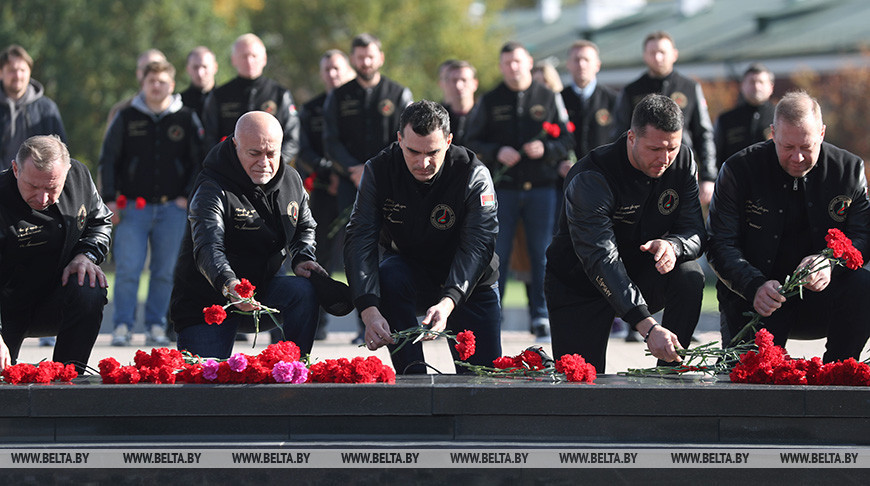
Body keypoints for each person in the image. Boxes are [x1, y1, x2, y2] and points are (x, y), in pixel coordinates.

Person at [545, 94, 706, 372]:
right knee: (581, 387)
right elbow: (600, 258)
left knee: (689, 275)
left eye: (672, 148)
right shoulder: (591, 177)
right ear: (631, 137)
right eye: (655, 149)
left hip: (642, 273)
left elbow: (695, 231)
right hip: (582, 283)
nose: (665, 158)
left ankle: (671, 373)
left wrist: (674, 246)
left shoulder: (683, 161)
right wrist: (647, 326)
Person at [707, 90, 870, 361]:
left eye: (806, 147)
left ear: (822, 133)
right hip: (756, 300)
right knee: (750, 383)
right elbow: (719, 242)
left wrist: (830, 263)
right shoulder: (739, 170)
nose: (797, 158)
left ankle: (839, 376)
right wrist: (753, 284)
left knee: (864, 284)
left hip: (822, 297)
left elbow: (863, 235)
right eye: (787, 147)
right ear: (772, 133)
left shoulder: (848, 170)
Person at [344, 100, 501, 374]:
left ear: (449, 141)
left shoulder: (474, 173)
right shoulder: (378, 170)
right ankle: (412, 382)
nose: (423, 163)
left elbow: (479, 244)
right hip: (410, 272)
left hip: (469, 280)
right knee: (389, 275)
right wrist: (368, 309)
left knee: (481, 382)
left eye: (433, 152)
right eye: (413, 151)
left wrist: (449, 300)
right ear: (399, 139)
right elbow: (360, 239)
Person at [169, 111, 322, 359]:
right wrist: (230, 285)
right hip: (208, 300)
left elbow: (305, 226)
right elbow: (208, 247)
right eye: (254, 153)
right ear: (235, 145)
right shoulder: (211, 186)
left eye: (271, 154)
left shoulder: (292, 180)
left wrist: (303, 257)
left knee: (303, 290)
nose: (264, 162)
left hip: (260, 291)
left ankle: (294, 366)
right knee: (205, 384)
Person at [465, 41, 571, 342]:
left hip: (541, 189)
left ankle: (541, 316)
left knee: (542, 254)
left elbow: (566, 141)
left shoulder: (549, 97)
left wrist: (546, 148)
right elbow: (472, 142)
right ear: (501, 66)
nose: (513, 67)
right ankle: (493, 313)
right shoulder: (490, 100)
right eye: (507, 62)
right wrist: (497, 151)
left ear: (528, 63)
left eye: (518, 62)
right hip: (504, 191)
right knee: (499, 255)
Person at [99, 60, 203, 347]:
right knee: (128, 269)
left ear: (171, 84)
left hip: (173, 209)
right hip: (133, 207)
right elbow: (109, 159)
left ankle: (156, 326)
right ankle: (121, 326)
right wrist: (109, 198)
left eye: (162, 81)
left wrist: (188, 195)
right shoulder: (126, 117)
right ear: (143, 84)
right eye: (151, 81)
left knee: (164, 271)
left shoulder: (186, 118)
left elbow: (199, 161)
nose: (156, 86)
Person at [323, 32, 413, 344]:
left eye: (370, 55)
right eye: (360, 56)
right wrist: (354, 169)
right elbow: (330, 140)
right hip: (352, 182)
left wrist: (375, 170)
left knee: (386, 250)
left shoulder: (398, 93)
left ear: (380, 57)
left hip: (389, 183)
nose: (365, 61)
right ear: (353, 59)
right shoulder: (339, 96)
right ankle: (364, 323)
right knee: (358, 249)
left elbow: (407, 138)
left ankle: (391, 320)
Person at [0, 135, 112, 371]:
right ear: (15, 169)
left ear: (67, 171)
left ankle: (68, 378)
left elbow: (100, 221)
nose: (43, 198)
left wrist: (87, 254)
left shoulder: (79, 177)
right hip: (7, 306)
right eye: (33, 186)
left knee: (89, 284)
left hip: (55, 299)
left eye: (52, 187)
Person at [290, 49, 355, 341]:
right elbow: (304, 151)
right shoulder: (312, 108)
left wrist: (345, 176)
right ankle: (319, 323)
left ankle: (367, 325)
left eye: (337, 69)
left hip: (356, 188)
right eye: (327, 69)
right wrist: (328, 172)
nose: (332, 74)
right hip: (322, 190)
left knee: (360, 253)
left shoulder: (357, 102)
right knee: (321, 256)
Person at [611, 31, 717, 206]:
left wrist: (708, 176)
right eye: (652, 53)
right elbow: (619, 134)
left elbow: (704, 133)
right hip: (642, 171)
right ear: (645, 56)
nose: (658, 58)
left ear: (674, 54)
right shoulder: (631, 91)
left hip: (680, 168)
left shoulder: (690, 88)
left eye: (662, 52)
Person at [202, 33, 300, 162]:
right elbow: (209, 138)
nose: (249, 61)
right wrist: (225, 165)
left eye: (254, 56)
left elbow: (293, 139)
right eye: (244, 56)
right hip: (229, 173)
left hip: (269, 173)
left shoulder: (280, 94)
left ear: (264, 59)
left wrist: (274, 165)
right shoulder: (219, 96)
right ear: (233, 60)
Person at [0, 44, 67, 172]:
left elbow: (62, 153)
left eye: (22, 70)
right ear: (1, 73)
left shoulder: (47, 109)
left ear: (30, 72)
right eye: (12, 70)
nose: (18, 75)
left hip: (38, 186)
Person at [714, 63, 775, 168]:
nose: (756, 87)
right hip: (736, 179)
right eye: (752, 82)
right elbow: (717, 155)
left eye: (761, 82)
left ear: (771, 87)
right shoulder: (727, 120)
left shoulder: (780, 117)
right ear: (742, 86)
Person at [106, 49, 167, 127]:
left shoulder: (182, 112)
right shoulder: (120, 111)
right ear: (138, 73)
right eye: (146, 69)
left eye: (157, 68)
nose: (151, 74)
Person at [438, 60, 478, 146]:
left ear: (475, 84)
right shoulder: (437, 117)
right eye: (454, 80)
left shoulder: (485, 115)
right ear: (446, 84)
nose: (458, 85)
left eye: (464, 80)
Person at [180, 46, 219, 119]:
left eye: (205, 67)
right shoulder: (179, 103)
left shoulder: (226, 100)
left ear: (215, 67)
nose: (200, 73)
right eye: (195, 67)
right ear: (188, 69)